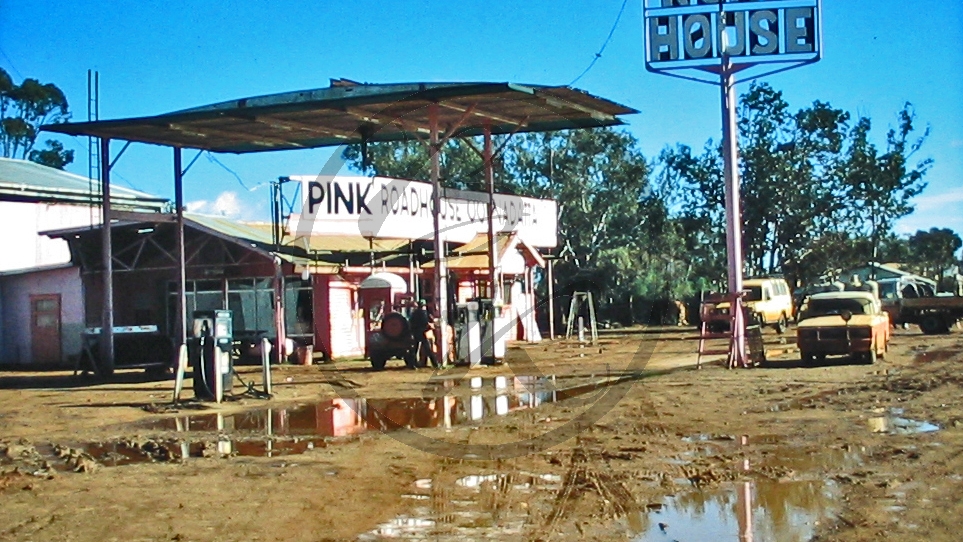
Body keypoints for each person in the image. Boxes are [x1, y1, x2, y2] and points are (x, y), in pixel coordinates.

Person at [409, 299, 438, 368]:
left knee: (414, 350)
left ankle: (412, 364)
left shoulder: (414, 313)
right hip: (423, 333)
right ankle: (435, 364)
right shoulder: (424, 313)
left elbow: (410, 322)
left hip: (415, 332)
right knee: (428, 349)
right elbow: (427, 322)